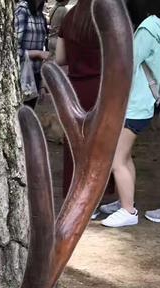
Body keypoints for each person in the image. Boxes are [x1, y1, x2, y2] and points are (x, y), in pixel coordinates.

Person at [100, 3, 160, 227]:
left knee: (116, 158)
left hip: (133, 105)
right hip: (144, 104)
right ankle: (125, 199)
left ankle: (128, 211)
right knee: (126, 155)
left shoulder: (148, 29)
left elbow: (127, 64)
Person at [56, 0, 115, 201]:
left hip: (74, 90)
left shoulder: (69, 17)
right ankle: (98, 195)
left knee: (74, 142)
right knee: (101, 141)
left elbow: (60, 58)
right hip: (102, 88)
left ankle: (73, 194)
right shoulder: (106, 18)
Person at [14, 0, 50, 109]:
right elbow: (13, 49)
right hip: (21, 76)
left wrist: (42, 86)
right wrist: (37, 54)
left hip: (35, 77)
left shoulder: (40, 15)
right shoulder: (22, 10)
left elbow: (44, 48)